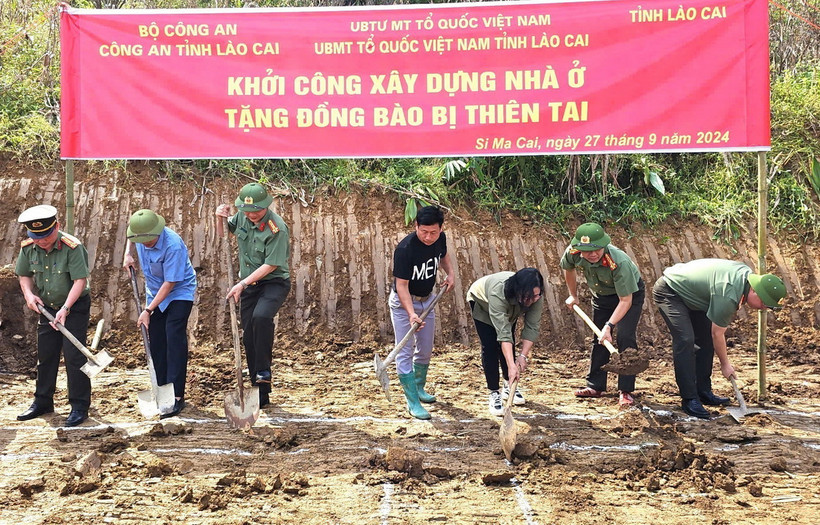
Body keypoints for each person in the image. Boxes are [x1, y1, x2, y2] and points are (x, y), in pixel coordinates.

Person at [652, 259, 787, 419]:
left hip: (696, 296)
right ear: (754, 291)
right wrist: (725, 365)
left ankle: (703, 391)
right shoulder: (729, 295)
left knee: (705, 339)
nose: (764, 308)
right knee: (685, 340)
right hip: (671, 291)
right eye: (764, 303)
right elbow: (718, 333)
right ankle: (689, 398)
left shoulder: (746, 278)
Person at [14, 205, 92, 427]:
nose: (42, 241)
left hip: (74, 306)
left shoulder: (73, 247)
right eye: (36, 237)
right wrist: (29, 295)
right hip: (47, 306)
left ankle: (79, 406)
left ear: (57, 227)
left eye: (46, 236)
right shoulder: (29, 247)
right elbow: (24, 275)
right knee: (46, 355)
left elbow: (80, 281)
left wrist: (65, 309)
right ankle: (43, 402)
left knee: (74, 356)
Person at [215, 183, 290, 408]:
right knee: (248, 336)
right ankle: (259, 392)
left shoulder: (277, 228)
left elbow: (271, 264)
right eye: (247, 210)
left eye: (256, 210)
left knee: (261, 318)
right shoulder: (241, 218)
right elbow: (223, 235)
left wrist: (242, 283)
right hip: (248, 285)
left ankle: (264, 371)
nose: (251, 214)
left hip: (272, 282)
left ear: (266, 206)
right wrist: (219, 218)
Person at [560, 223, 644, 407]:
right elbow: (569, 269)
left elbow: (625, 301)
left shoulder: (618, 262)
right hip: (601, 295)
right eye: (587, 251)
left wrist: (609, 326)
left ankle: (626, 390)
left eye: (597, 249)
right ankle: (596, 385)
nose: (593, 254)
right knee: (598, 338)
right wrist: (573, 295)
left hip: (628, 295)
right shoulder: (573, 252)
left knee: (625, 337)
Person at [123, 209, 197, 418]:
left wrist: (148, 310)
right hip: (154, 291)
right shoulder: (139, 235)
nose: (144, 244)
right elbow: (131, 237)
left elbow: (170, 283)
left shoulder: (173, 245)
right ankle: (161, 387)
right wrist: (128, 254)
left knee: (173, 337)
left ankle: (176, 396)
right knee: (156, 340)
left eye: (148, 240)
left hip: (179, 292)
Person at [389, 206, 455, 420]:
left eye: (433, 232)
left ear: (441, 229)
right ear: (416, 225)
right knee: (405, 351)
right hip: (403, 304)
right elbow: (402, 286)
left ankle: (419, 388)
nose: (428, 237)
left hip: (427, 301)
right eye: (423, 231)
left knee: (425, 349)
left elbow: (443, 257)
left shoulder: (440, 238)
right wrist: (411, 314)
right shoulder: (405, 249)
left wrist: (450, 274)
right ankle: (412, 401)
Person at [467, 268, 544, 416]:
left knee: (510, 343)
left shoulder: (536, 295)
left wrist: (522, 356)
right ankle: (494, 392)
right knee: (490, 345)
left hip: (512, 304)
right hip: (483, 302)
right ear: (520, 291)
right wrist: (511, 365)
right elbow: (503, 334)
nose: (535, 299)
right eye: (530, 296)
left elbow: (532, 326)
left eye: (537, 295)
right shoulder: (498, 293)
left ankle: (508, 385)